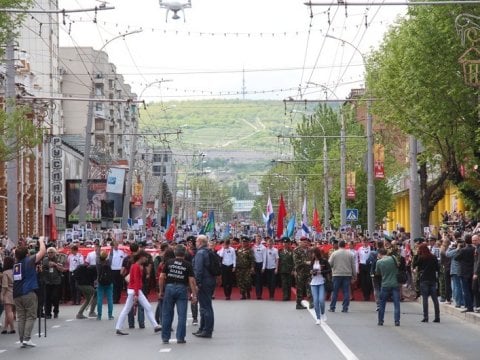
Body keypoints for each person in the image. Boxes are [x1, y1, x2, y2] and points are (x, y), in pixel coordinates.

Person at [115, 250, 161, 335]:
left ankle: (118, 327)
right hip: (136, 290)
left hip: (133, 290)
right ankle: (155, 326)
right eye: (145, 258)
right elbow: (136, 281)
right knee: (146, 307)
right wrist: (136, 294)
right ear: (141, 257)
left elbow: (134, 280)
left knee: (128, 309)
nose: (146, 259)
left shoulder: (134, 266)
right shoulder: (137, 267)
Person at [158, 244, 198, 344]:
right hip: (181, 288)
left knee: (166, 314)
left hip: (169, 288)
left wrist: (161, 291)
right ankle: (180, 338)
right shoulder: (187, 264)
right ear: (184, 253)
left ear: (175, 253)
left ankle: (165, 337)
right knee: (182, 315)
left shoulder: (168, 262)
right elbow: (192, 281)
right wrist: (194, 295)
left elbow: (162, 277)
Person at [13, 235, 46, 347]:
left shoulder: (16, 265)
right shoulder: (29, 261)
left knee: (21, 317)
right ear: (27, 254)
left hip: (17, 294)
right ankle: (27, 338)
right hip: (28, 292)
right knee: (31, 315)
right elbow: (42, 252)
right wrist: (41, 241)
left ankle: (22, 339)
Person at [192, 235, 216, 338]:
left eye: (197, 241)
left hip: (204, 281)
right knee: (204, 306)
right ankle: (202, 328)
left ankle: (207, 330)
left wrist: (197, 283)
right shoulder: (208, 251)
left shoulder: (200, 253)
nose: (195, 243)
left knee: (206, 306)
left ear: (201, 242)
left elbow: (198, 270)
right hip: (210, 280)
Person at [413, 244, 440, 323]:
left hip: (424, 279)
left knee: (425, 299)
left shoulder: (421, 258)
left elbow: (414, 264)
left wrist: (416, 255)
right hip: (432, 279)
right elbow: (437, 268)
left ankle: (426, 317)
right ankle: (437, 317)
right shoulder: (434, 257)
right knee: (435, 299)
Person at [328, 240, 357, 313]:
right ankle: (345, 308)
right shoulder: (350, 254)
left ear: (338, 245)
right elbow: (353, 266)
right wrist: (354, 276)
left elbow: (330, 264)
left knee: (335, 292)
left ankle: (332, 307)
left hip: (336, 274)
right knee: (346, 292)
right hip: (347, 274)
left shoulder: (334, 253)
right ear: (345, 245)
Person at [375, 248, 400, 326]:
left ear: (379, 254)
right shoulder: (393, 258)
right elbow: (398, 265)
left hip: (385, 284)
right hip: (395, 283)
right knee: (396, 304)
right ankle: (397, 321)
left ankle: (380, 320)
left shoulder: (379, 262)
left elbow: (377, 273)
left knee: (382, 303)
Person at [310, 247, 331, 324]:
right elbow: (310, 270)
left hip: (322, 281)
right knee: (315, 301)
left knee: (321, 300)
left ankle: (323, 313)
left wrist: (321, 271)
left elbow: (329, 270)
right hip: (313, 282)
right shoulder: (312, 262)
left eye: (312, 253)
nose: (312, 254)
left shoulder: (324, 261)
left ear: (316, 253)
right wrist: (312, 272)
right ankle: (318, 318)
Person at [41, 247, 64, 319]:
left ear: (54, 253)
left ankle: (56, 311)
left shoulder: (58, 259)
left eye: (51, 252)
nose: (50, 254)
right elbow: (42, 269)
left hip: (56, 281)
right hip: (47, 281)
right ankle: (48, 313)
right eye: (48, 253)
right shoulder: (45, 260)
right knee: (47, 298)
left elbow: (62, 269)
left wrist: (55, 265)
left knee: (55, 297)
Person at [455, 234, 475, 313]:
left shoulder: (463, 250)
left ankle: (469, 306)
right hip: (472, 271)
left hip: (464, 272)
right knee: (471, 289)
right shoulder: (474, 249)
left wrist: (458, 248)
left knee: (466, 290)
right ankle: (473, 305)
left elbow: (456, 258)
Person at [293, 236, 312, 309]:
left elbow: (312, 259)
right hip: (300, 272)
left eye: (306, 242)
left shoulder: (309, 250)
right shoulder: (296, 250)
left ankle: (311, 303)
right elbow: (296, 261)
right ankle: (299, 304)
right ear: (300, 243)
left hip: (308, 272)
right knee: (300, 289)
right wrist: (305, 262)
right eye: (304, 242)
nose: (306, 244)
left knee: (309, 288)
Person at [96, 251, 114, 320]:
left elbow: (97, 256)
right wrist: (111, 249)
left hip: (100, 282)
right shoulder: (108, 263)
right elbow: (111, 256)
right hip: (109, 282)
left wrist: (98, 251)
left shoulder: (98, 263)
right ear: (106, 257)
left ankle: (99, 315)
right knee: (110, 299)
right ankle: (110, 315)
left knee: (99, 299)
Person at [1, 256, 15, 334]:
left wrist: (1, 294)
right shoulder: (15, 271)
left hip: (8, 293)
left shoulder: (5, 273)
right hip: (15, 291)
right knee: (8, 311)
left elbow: (5, 285)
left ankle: (12, 328)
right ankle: (5, 328)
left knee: (9, 311)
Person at [252, 235, 267, 300]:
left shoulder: (263, 247)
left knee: (260, 280)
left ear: (261, 240)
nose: (258, 240)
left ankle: (260, 294)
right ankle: (257, 294)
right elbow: (252, 258)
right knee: (256, 280)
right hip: (255, 264)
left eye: (259, 239)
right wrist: (252, 266)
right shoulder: (253, 247)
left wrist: (263, 267)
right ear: (255, 240)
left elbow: (264, 258)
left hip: (261, 264)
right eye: (257, 239)